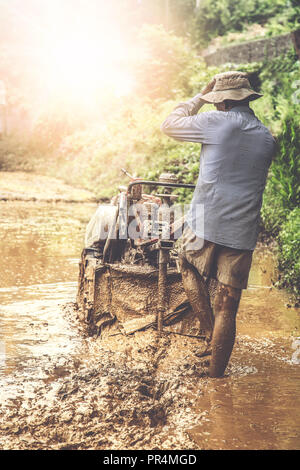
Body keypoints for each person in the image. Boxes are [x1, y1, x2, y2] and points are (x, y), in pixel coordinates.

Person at [161, 71, 276, 378]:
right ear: (247, 98)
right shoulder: (267, 138)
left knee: (185, 261)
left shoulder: (217, 123)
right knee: (228, 303)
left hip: (205, 222)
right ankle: (217, 380)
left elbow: (169, 125)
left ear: (223, 102)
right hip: (243, 231)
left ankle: (208, 332)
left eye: (214, 102)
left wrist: (199, 97)